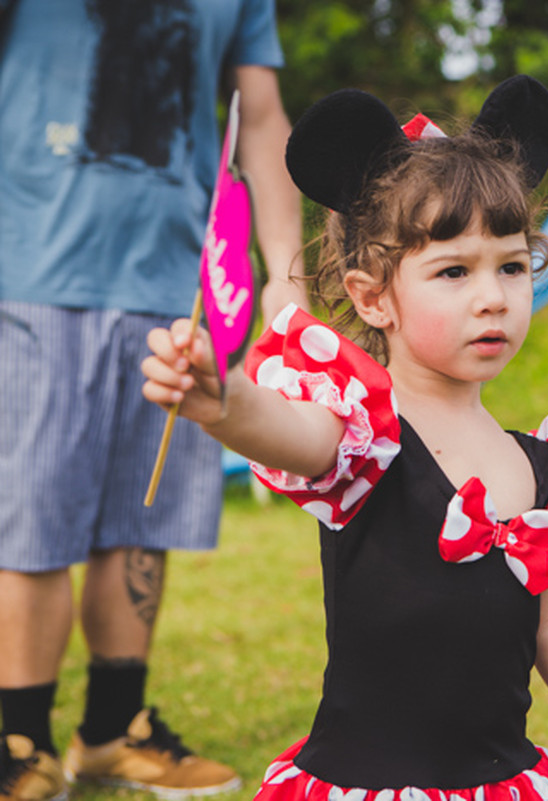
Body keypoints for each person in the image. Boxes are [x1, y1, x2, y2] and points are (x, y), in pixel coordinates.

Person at [140, 76, 548, 801]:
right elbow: (286, 433)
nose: (492, 296)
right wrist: (225, 401)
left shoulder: (542, 466)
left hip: (495, 782)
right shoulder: (361, 435)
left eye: (511, 266)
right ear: (373, 296)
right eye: (453, 271)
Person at [0, 1, 305, 799]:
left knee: (143, 511)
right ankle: (17, 741)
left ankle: (111, 729)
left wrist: (286, 269)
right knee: (31, 517)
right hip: (30, 272)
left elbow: (264, 118)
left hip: (178, 284)